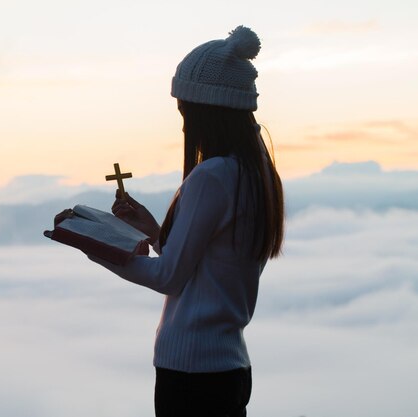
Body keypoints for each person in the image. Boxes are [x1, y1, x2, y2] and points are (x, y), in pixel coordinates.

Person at [63, 25, 284, 416]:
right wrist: (153, 231)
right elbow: (211, 266)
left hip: (191, 373)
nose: (183, 123)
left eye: (185, 110)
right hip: (229, 367)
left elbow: (168, 277)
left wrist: (93, 244)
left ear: (206, 110)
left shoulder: (212, 175)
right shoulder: (258, 173)